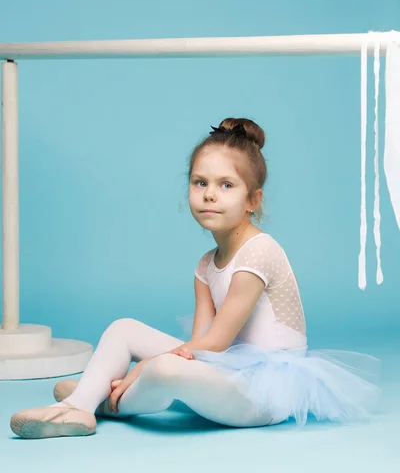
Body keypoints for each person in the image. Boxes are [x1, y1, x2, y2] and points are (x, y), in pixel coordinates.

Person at [10, 117, 380, 439]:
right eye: (200, 183)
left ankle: (106, 400)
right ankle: (80, 405)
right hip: (226, 372)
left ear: (253, 200)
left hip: (262, 393)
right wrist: (156, 364)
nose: (209, 196)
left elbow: (215, 342)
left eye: (226, 185)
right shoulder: (206, 265)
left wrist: (142, 368)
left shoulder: (260, 252)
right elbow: (198, 344)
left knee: (166, 367)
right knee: (124, 328)